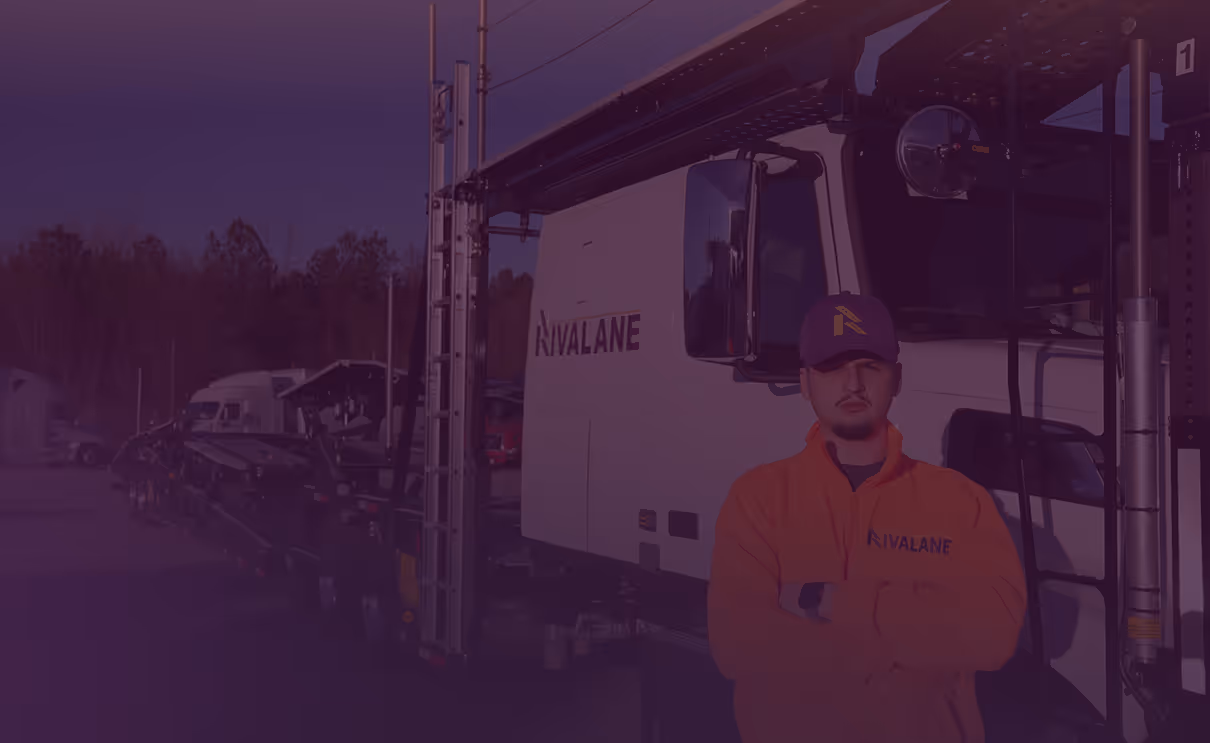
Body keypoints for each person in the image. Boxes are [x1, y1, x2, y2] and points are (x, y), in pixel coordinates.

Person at [707, 291, 1027, 743]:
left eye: (869, 366)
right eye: (833, 367)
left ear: (895, 379)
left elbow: (993, 636)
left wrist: (831, 603)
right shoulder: (758, 499)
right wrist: (918, 631)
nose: (853, 383)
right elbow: (738, 644)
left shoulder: (960, 502)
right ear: (804, 382)